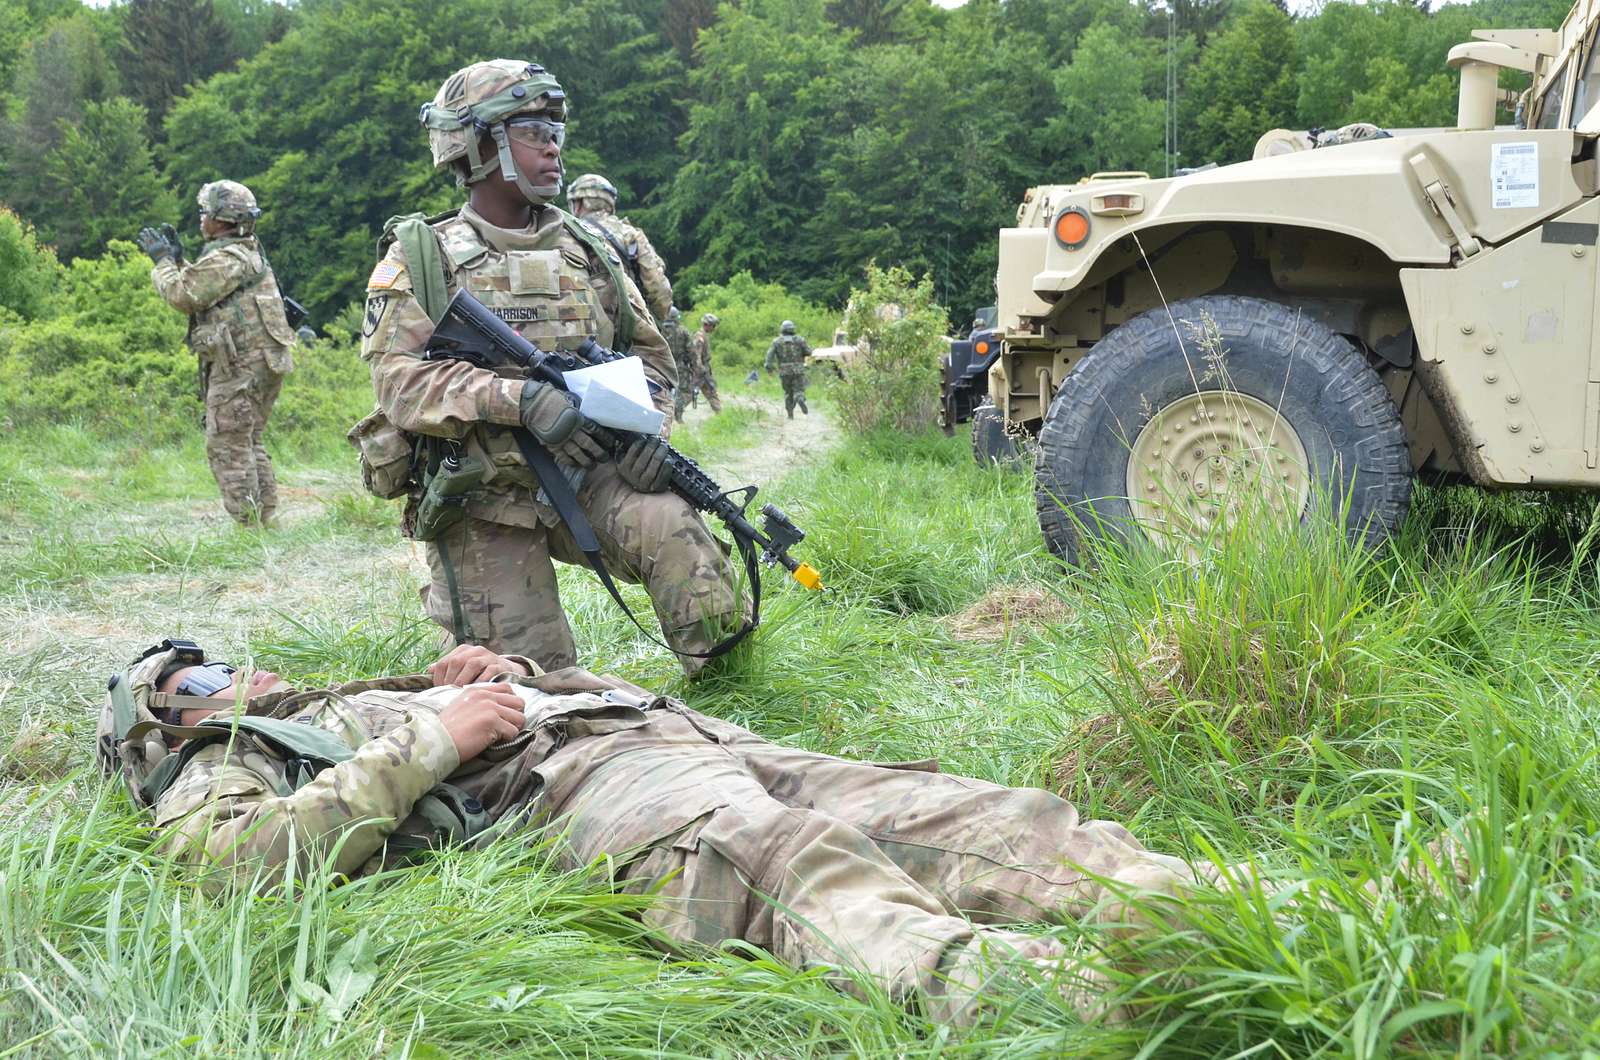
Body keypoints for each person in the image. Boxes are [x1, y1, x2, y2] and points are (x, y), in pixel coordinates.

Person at [99, 638, 1234, 1024]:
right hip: (577, 785)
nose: (239, 667)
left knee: (992, 820)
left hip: (670, 730)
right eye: (197, 671)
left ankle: (1254, 921)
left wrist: (499, 677)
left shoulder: (337, 699)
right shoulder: (220, 759)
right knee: (784, 863)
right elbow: (232, 870)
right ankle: (1127, 1002)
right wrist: (433, 740)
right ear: (164, 719)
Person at [359, 60, 743, 676]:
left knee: (687, 548)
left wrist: (650, 431)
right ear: (478, 142)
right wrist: (518, 401)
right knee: (530, 694)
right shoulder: (423, 257)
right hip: (482, 500)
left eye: (556, 131)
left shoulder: (589, 251)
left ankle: (730, 698)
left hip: (590, 474)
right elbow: (399, 384)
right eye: (533, 130)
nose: (553, 148)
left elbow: (653, 361)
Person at [138, 182, 296, 526]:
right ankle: (264, 520)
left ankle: (249, 525)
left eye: (204, 213)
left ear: (220, 220)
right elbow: (206, 287)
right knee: (248, 440)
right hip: (264, 362)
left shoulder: (226, 258)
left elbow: (183, 296)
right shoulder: (245, 251)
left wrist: (163, 263)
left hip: (240, 365)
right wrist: (181, 259)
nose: (200, 220)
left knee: (227, 444)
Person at [567, 173, 674, 323]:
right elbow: (658, 289)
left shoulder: (565, 234)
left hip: (579, 326)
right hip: (625, 329)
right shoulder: (630, 235)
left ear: (578, 203)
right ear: (609, 203)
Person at [764, 319, 812, 419]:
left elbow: (769, 356)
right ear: (793, 329)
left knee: (788, 393)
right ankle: (800, 399)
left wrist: (769, 368)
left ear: (782, 329)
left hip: (784, 371)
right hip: (798, 370)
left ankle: (790, 415)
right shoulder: (800, 340)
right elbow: (809, 351)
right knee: (799, 390)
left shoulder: (776, 341)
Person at [659, 306, 696, 423]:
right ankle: (677, 414)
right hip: (679, 367)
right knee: (684, 392)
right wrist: (694, 366)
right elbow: (691, 351)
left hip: (661, 366)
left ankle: (663, 416)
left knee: (661, 391)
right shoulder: (683, 331)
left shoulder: (659, 329)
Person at [688, 312, 722, 414]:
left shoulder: (702, 335)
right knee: (689, 393)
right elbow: (696, 355)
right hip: (701, 371)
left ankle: (719, 412)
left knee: (710, 391)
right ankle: (676, 412)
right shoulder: (700, 337)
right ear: (707, 325)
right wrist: (700, 368)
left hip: (702, 370)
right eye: (713, 325)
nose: (714, 328)